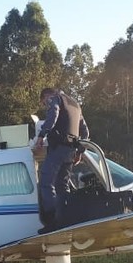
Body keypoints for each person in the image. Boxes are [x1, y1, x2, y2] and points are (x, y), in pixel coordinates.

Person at [33, 87, 89, 233]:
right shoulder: (75, 104)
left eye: (44, 103)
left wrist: (41, 136)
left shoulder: (55, 99)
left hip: (58, 148)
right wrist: (80, 151)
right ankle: (67, 218)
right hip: (71, 151)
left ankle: (52, 220)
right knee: (62, 185)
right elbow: (85, 131)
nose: (46, 105)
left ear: (46, 96)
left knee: (46, 181)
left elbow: (53, 115)